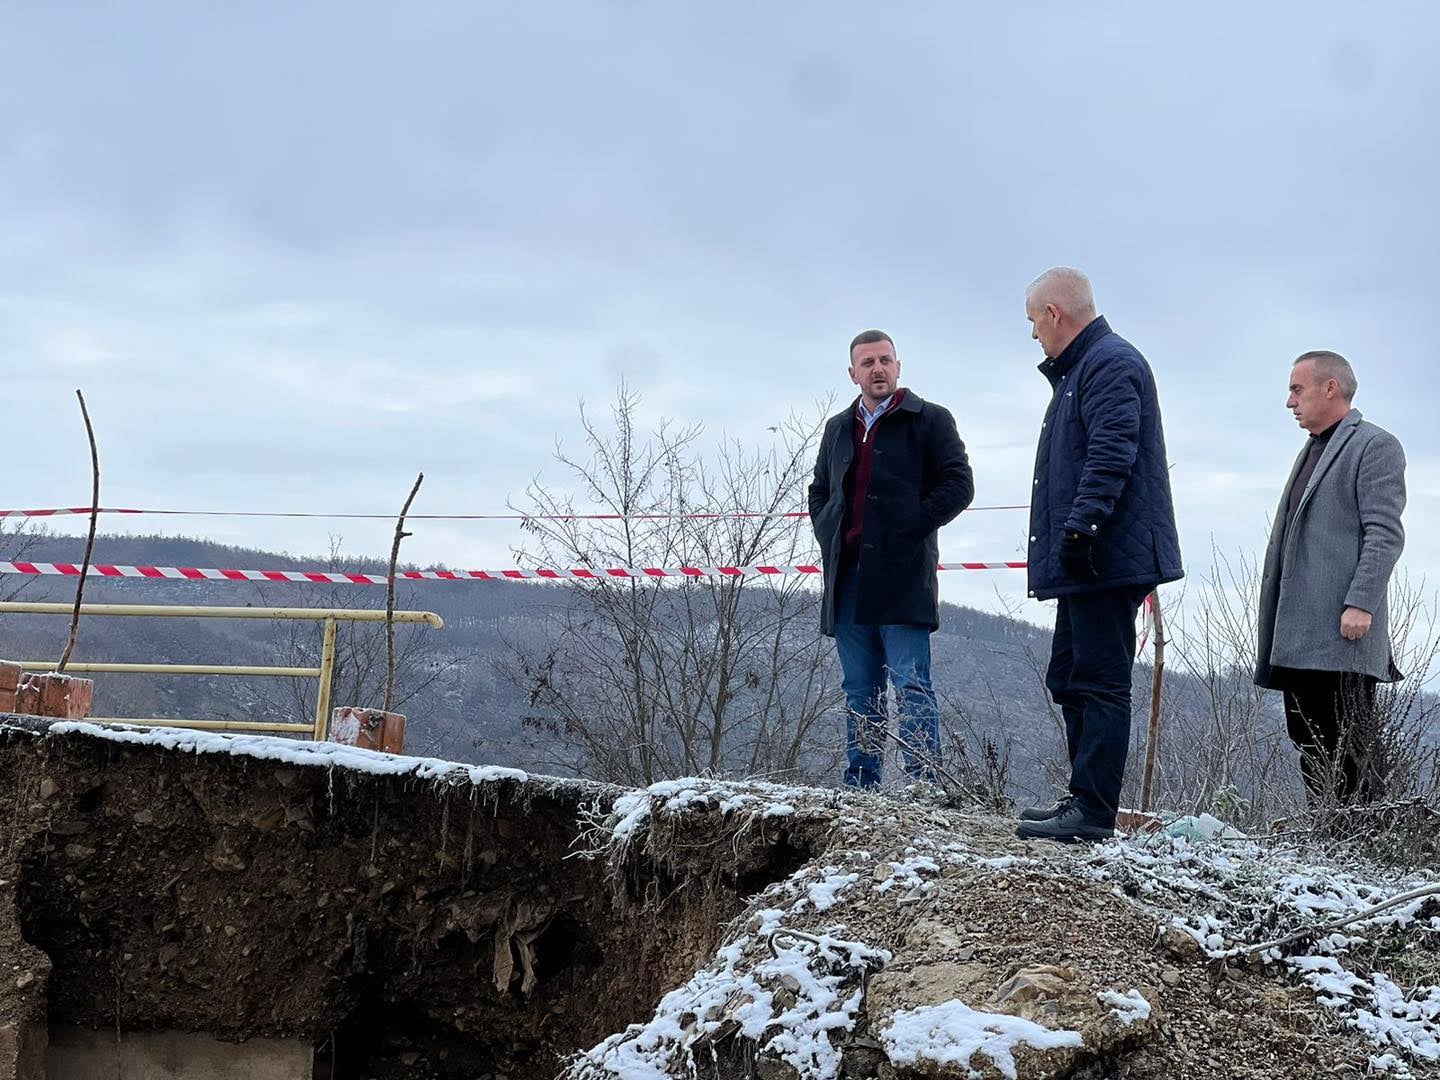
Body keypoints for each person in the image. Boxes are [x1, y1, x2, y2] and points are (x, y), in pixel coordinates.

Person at [1018, 268, 1183, 842]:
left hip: (1106, 556)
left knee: (1100, 680)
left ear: (1055, 313)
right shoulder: (1081, 369)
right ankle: (1082, 798)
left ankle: (1093, 811)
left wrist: (1082, 529)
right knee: (1068, 675)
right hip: (1091, 557)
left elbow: (1112, 451)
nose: (1034, 333)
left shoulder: (1110, 363)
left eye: (1034, 320)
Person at [807, 329, 974, 788]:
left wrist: (911, 527)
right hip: (847, 579)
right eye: (868, 362)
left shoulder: (930, 419)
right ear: (853, 373)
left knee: (911, 684)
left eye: (885, 360)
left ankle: (925, 785)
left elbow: (959, 485)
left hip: (903, 577)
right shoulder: (838, 428)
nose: (877, 369)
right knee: (860, 691)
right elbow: (819, 490)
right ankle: (862, 786)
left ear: (898, 366)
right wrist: (828, 530)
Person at [1254, 351, 1405, 805]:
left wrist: (1361, 602)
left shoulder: (1375, 445)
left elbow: (1384, 534)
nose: (1290, 401)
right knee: (1309, 741)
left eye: (1297, 390)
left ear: (1330, 388)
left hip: (1342, 634)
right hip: (1299, 634)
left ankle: (1365, 836)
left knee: (1351, 750)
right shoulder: (1313, 447)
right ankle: (1328, 832)